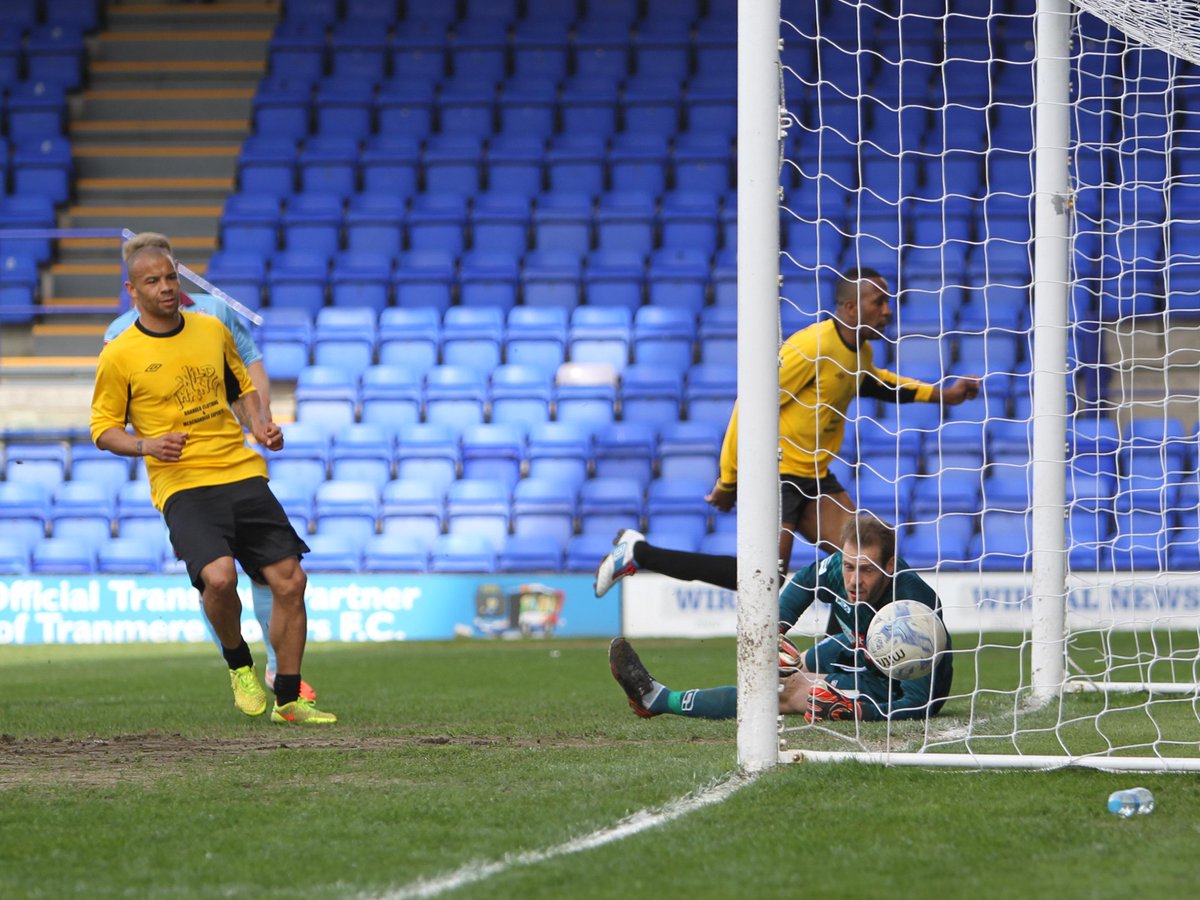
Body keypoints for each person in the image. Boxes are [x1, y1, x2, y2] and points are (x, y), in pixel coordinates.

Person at [595, 267, 980, 596]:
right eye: (878, 302)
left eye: (887, 302)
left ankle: (851, 649)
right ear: (850, 307)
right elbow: (751, 404)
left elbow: (875, 382)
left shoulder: (859, 351)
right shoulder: (811, 346)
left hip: (814, 475)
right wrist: (729, 480)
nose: (887, 310)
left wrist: (942, 394)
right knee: (763, 580)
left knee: (865, 559)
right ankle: (638, 553)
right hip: (777, 474)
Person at [91, 244, 335, 725]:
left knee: (291, 580)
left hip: (240, 471)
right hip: (182, 483)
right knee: (219, 578)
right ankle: (239, 664)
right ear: (132, 290)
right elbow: (103, 430)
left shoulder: (211, 329)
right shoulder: (119, 354)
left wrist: (259, 426)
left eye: (170, 277)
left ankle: (289, 698)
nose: (166, 288)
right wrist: (147, 445)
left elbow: (241, 389)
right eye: (153, 281)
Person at [607, 513, 954, 723]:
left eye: (866, 570)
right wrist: (778, 631)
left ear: (890, 566)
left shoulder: (915, 608)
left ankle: (657, 699)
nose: (853, 580)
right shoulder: (838, 569)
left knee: (784, 692)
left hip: (892, 683)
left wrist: (855, 710)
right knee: (792, 666)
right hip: (855, 648)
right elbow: (802, 584)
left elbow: (917, 702)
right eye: (849, 566)